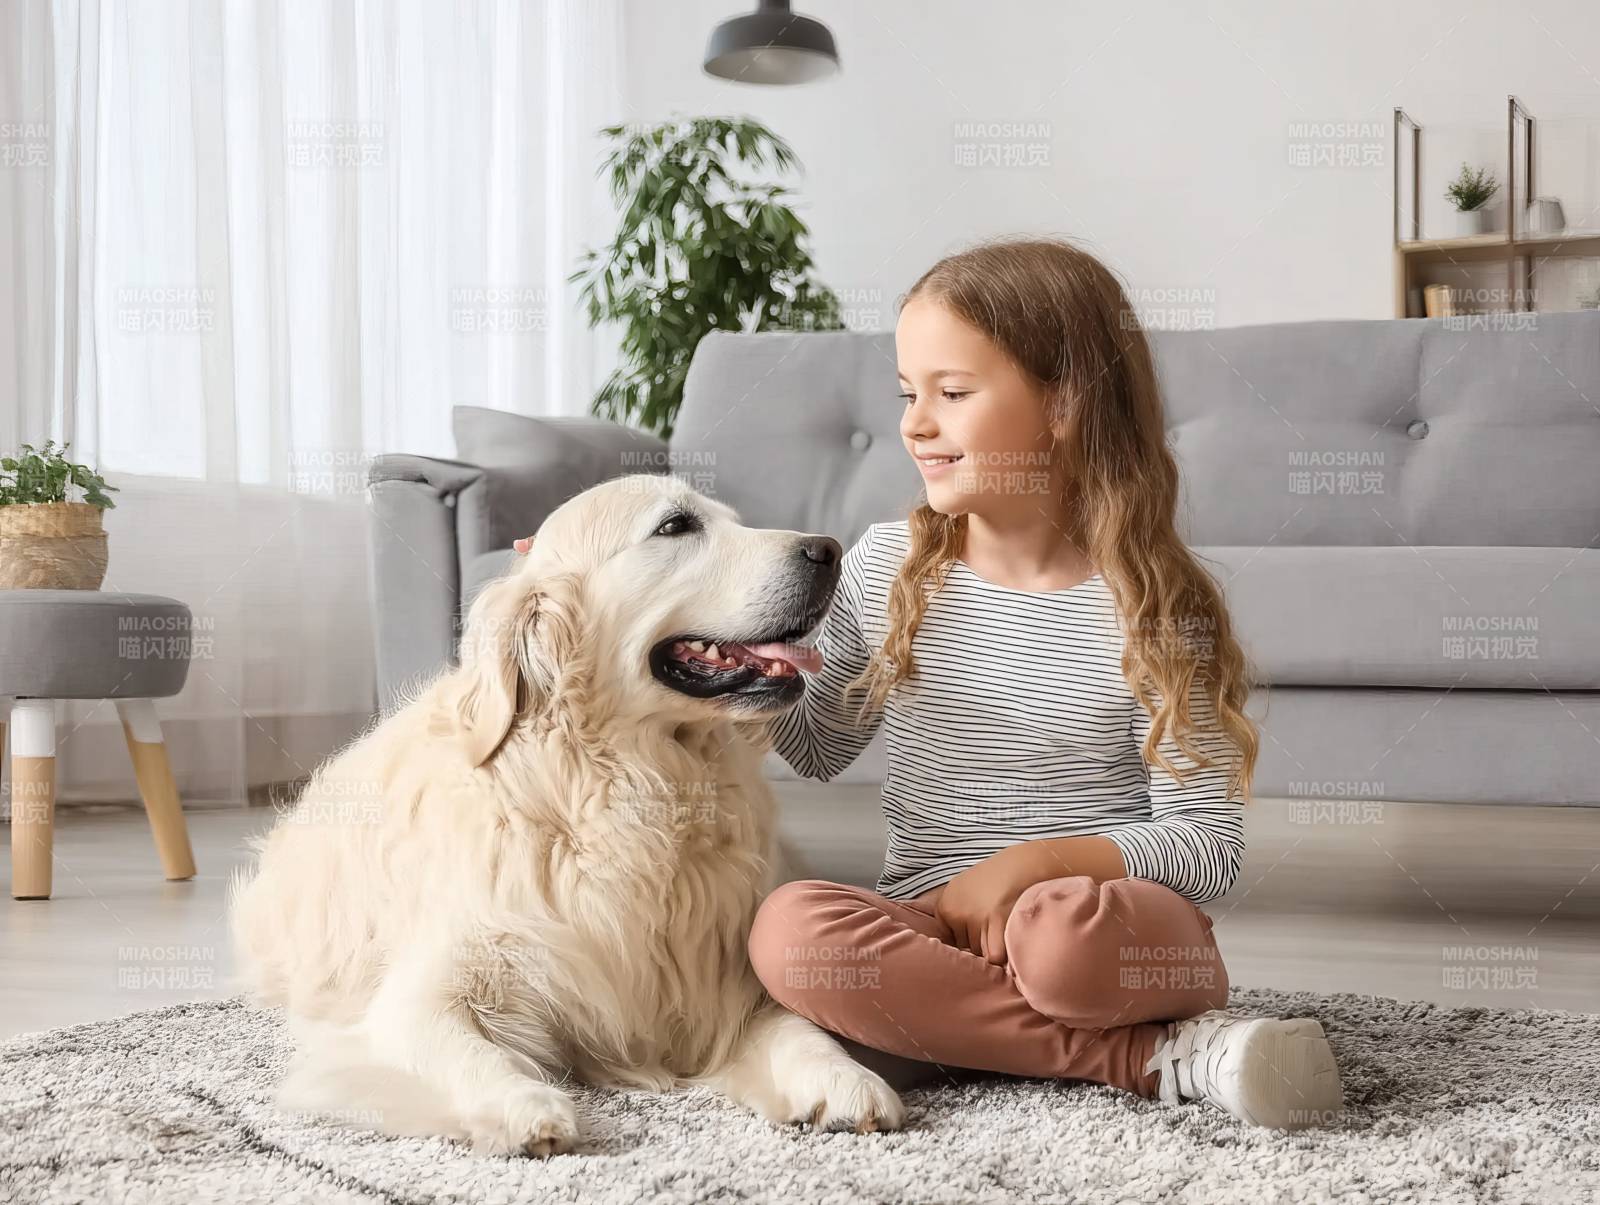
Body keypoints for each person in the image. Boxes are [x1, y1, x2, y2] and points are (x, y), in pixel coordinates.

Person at [742, 236, 1343, 1131]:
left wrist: (1034, 867)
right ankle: (1151, 1055)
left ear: (1062, 404)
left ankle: (967, 1029)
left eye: (951, 393)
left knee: (1056, 943)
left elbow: (1207, 845)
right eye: (908, 395)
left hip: (1109, 929)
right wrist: (673, 627)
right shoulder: (889, 567)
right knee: (789, 933)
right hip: (937, 923)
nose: (914, 423)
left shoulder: (1157, 602)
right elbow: (818, 747)